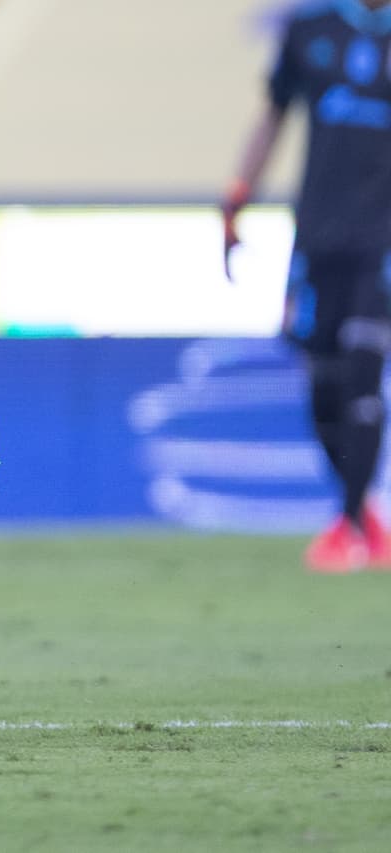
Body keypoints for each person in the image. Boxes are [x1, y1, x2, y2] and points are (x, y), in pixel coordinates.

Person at [222, 0, 391, 573]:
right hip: (318, 239)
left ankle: (348, 528)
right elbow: (273, 115)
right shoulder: (310, 31)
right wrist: (238, 194)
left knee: (364, 367)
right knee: (324, 389)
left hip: (383, 242)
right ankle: (364, 517)